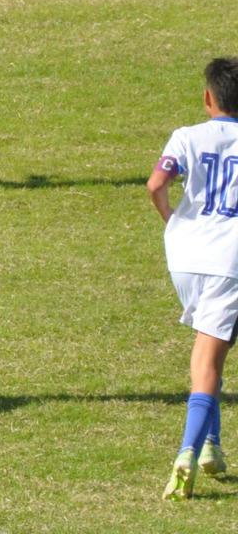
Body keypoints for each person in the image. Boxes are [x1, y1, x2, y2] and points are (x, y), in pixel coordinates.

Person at [148, 57, 238, 500]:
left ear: (208, 98)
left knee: (206, 349)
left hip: (184, 257)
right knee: (208, 363)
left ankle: (211, 447)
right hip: (230, 261)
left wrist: (172, 223)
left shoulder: (186, 136)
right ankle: (186, 452)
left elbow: (155, 184)